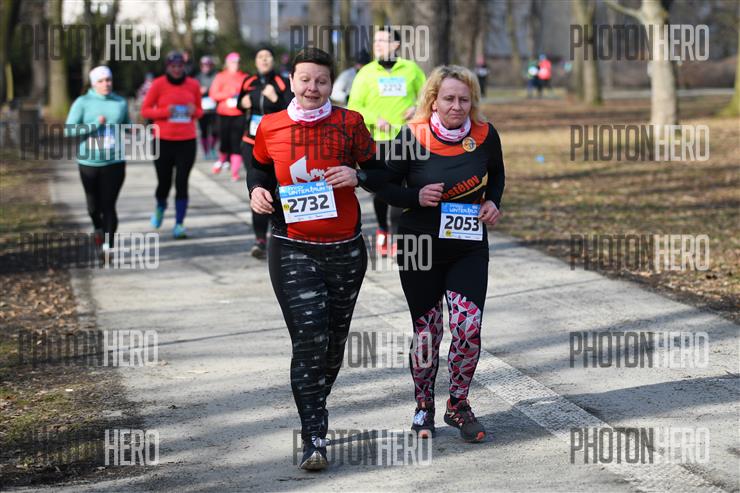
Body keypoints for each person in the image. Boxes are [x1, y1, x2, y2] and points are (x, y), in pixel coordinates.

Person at [247, 47, 387, 471]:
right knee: (309, 339)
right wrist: (256, 190)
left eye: (321, 81)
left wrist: (358, 175)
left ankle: (313, 403)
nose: (313, 87)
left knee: (333, 344)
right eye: (305, 79)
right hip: (291, 246)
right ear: (291, 81)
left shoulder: (349, 123)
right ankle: (314, 436)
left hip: (345, 250)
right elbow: (258, 168)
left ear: (330, 84)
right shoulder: (271, 125)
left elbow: (381, 173)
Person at [373, 65, 505, 443]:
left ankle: (458, 405)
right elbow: (381, 185)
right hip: (420, 244)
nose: (456, 106)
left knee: (468, 326)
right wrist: (414, 196)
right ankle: (423, 406)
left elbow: (496, 174)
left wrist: (493, 202)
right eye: (448, 98)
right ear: (433, 100)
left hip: (467, 246)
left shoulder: (484, 134)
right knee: (427, 331)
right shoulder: (412, 135)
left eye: (464, 99)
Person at [348, 27, 426, 256]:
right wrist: (375, 119)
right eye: (376, 41)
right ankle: (382, 229)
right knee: (380, 188)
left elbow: (428, 96)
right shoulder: (366, 73)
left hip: (406, 138)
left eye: (383, 40)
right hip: (377, 141)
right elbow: (354, 106)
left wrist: (417, 108)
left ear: (396, 45)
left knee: (401, 188)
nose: (378, 45)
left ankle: (396, 235)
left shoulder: (411, 69)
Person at [64, 66, 129, 253]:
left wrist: (133, 129)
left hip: (114, 161)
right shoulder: (82, 102)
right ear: (93, 84)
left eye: (108, 80)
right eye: (101, 81)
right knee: (93, 207)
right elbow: (69, 130)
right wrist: (93, 125)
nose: (106, 84)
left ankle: (108, 246)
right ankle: (97, 227)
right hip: (89, 162)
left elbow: (126, 124)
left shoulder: (120, 102)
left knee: (109, 205)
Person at [237, 46, 292, 260]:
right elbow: (239, 103)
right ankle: (260, 239)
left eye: (268, 56)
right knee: (258, 187)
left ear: (273, 60)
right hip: (250, 142)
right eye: (260, 57)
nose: (264, 60)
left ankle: (279, 233)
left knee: (275, 188)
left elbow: (290, 107)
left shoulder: (281, 82)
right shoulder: (248, 81)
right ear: (256, 61)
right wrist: (242, 103)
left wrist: (275, 98)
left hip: (275, 142)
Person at [141, 51, 203, 239]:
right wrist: (164, 112)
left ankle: (179, 224)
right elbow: (145, 110)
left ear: (184, 67)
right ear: (167, 67)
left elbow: (200, 111)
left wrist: (194, 111)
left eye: (180, 66)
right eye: (173, 66)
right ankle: (160, 207)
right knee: (164, 182)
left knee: (182, 182)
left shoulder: (193, 84)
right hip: (163, 141)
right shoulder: (158, 84)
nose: (177, 70)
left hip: (186, 141)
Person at [209, 52, 248, 180]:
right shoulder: (221, 76)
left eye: (237, 62)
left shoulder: (244, 77)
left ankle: (234, 172)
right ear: (227, 63)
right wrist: (229, 94)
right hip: (223, 114)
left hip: (239, 114)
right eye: (232, 62)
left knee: (237, 144)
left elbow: (249, 94)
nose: (235, 64)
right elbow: (213, 94)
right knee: (224, 143)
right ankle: (221, 160)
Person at [196, 56, 219, 159]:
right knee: (204, 131)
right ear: (201, 66)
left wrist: (209, 90)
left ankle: (212, 148)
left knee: (215, 131)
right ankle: (206, 152)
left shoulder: (216, 76)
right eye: (204, 65)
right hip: (202, 109)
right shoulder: (198, 77)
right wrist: (199, 91)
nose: (206, 67)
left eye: (208, 65)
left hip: (214, 109)